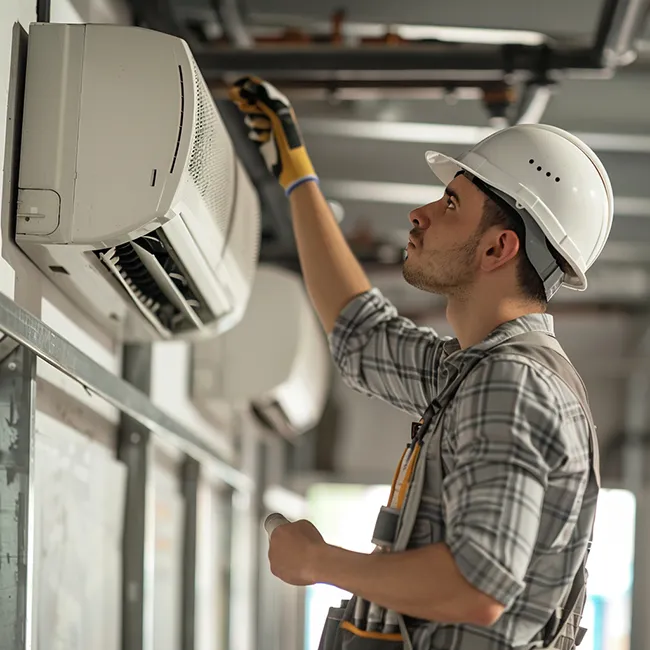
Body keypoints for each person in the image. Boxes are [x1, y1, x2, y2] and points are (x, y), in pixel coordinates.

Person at [229, 76, 613, 649]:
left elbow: (475, 586)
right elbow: (361, 334)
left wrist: (318, 561)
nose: (420, 211)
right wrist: (296, 174)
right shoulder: (477, 374)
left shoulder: (511, 384)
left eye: (451, 203)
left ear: (497, 248)